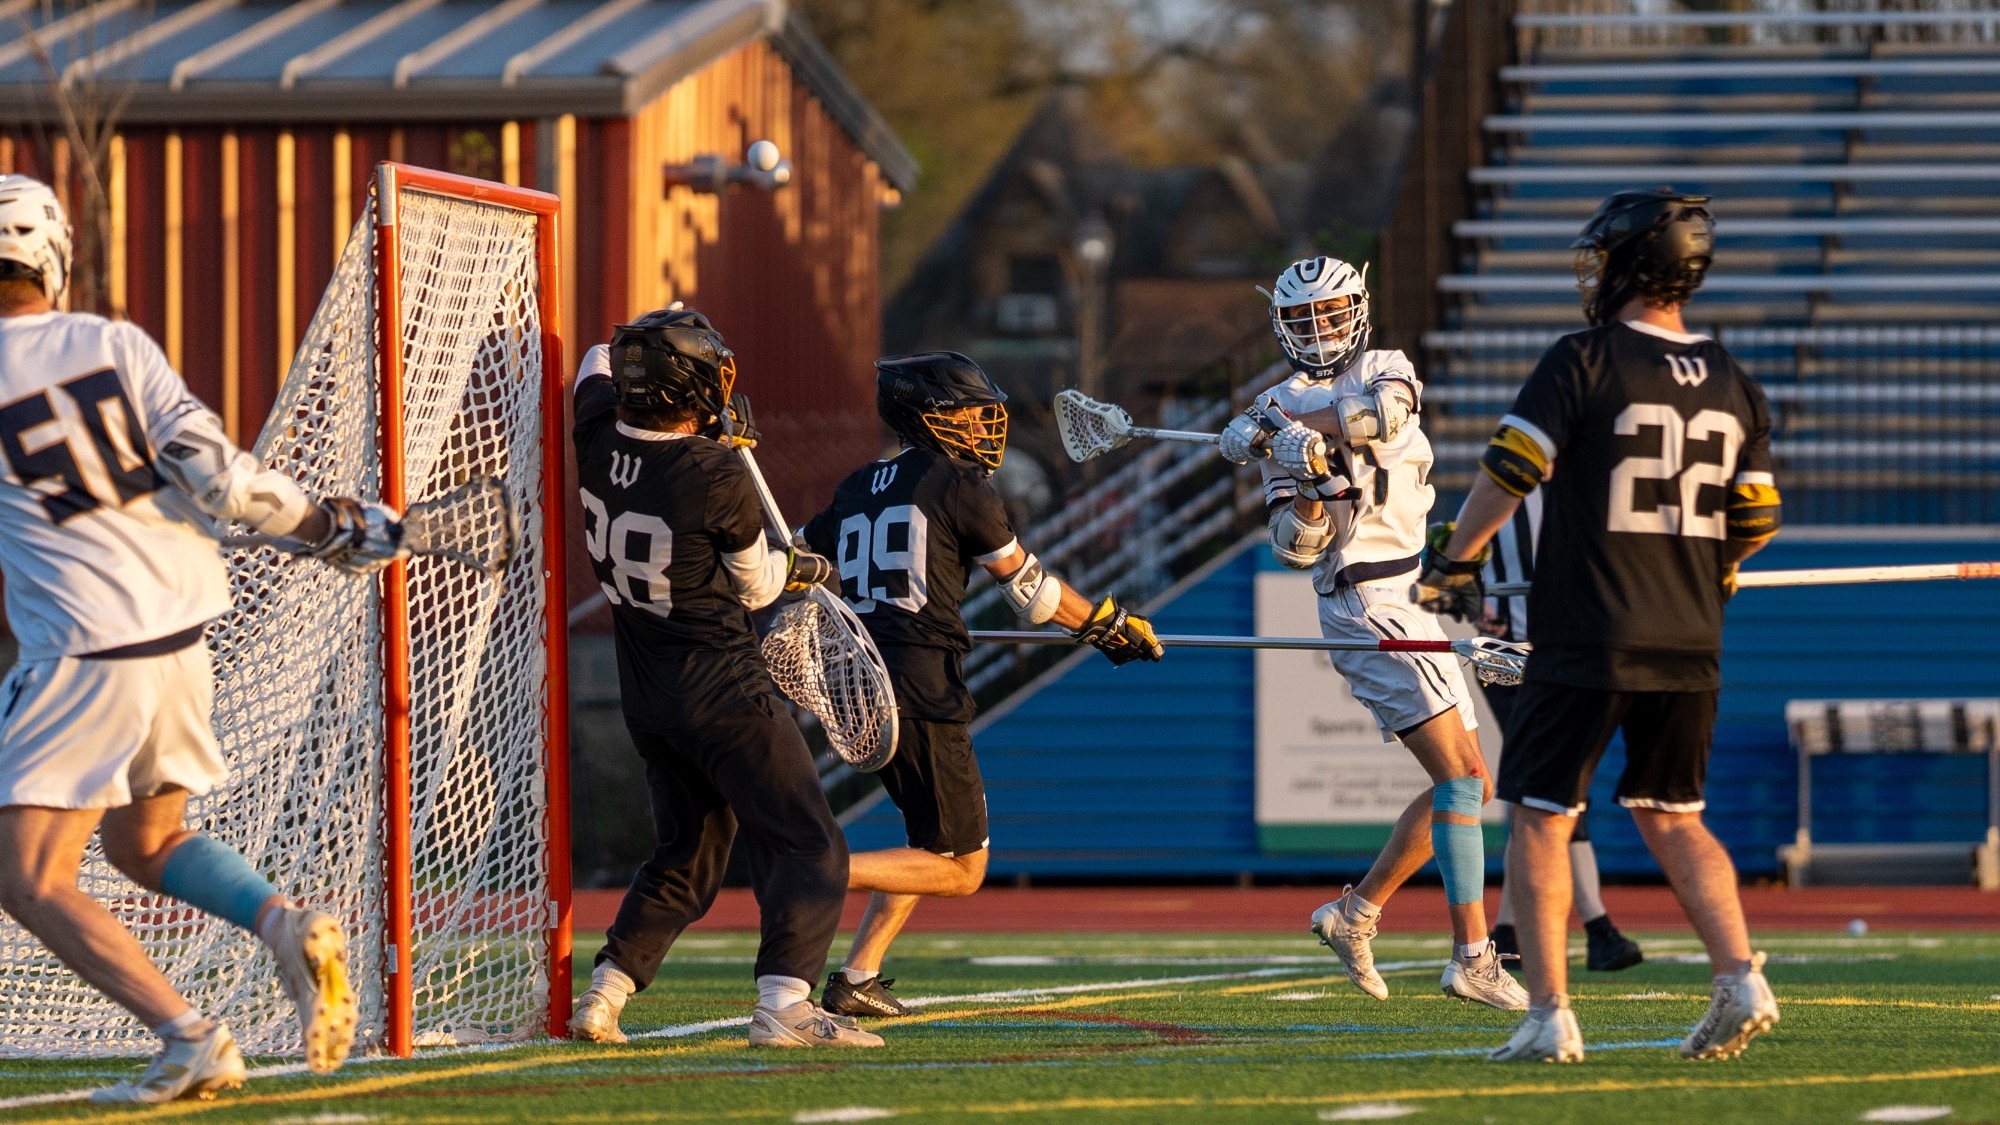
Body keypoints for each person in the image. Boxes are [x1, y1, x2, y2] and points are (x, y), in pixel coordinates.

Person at [0, 174, 393, 1102]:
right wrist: (327, 524)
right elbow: (217, 478)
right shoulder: (112, 342)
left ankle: (191, 1036)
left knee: (28, 878)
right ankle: (281, 919)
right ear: (51, 257)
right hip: (179, 637)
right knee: (148, 842)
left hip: (86, 647)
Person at [1415, 188, 1782, 1063]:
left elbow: (1509, 468)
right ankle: (1741, 975)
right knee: (1673, 814)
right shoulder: (1734, 378)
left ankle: (1549, 1012)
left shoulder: (1583, 359)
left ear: (1631, 264)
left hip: (1589, 630)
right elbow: (1757, 517)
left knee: (1541, 815)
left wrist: (1457, 562)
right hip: (1691, 636)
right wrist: (1712, 573)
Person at [799, 351, 1164, 1018]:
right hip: (921, 683)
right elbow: (1031, 590)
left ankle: (858, 975)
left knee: (925, 841)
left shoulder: (855, 486)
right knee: (962, 867)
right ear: (932, 417)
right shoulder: (956, 483)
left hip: (859, 681)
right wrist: (1107, 623)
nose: (982, 426)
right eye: (970, 412)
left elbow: (799, 560)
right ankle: (813, 868)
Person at [562, 307, 880, 1050]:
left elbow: (592, 363)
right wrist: (798, 566)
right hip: (722, 686)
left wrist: (642, 354)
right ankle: (787, 1004)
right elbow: (757, 586)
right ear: (688, 389)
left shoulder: (597, 435)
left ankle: (603, 996)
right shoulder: (715, 470)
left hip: (647, 692)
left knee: (687, 854)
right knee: (810, 842)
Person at [1217, 256, 1525, 1011]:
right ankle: (1472, 955)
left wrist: (1293, 433)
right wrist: (1312, 486)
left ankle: (1354, 913)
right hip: (1362, 598)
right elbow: (1296, 548)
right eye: (1302, 319)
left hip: (1410, 594)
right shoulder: (1275, 403)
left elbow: (1378, 416)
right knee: (1461, 779)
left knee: (1470, 782)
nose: (1318, 330)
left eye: (1329, 314)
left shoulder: (1380, 367)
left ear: (1355, 311)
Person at [1480, 490, 1644, 973]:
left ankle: (1510, 935)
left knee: (1540, 792)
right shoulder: (1544, 495)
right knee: (1553, 790)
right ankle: (1597, 929)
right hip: (1522, 657)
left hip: (1534, 655)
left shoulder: (1527, 493)